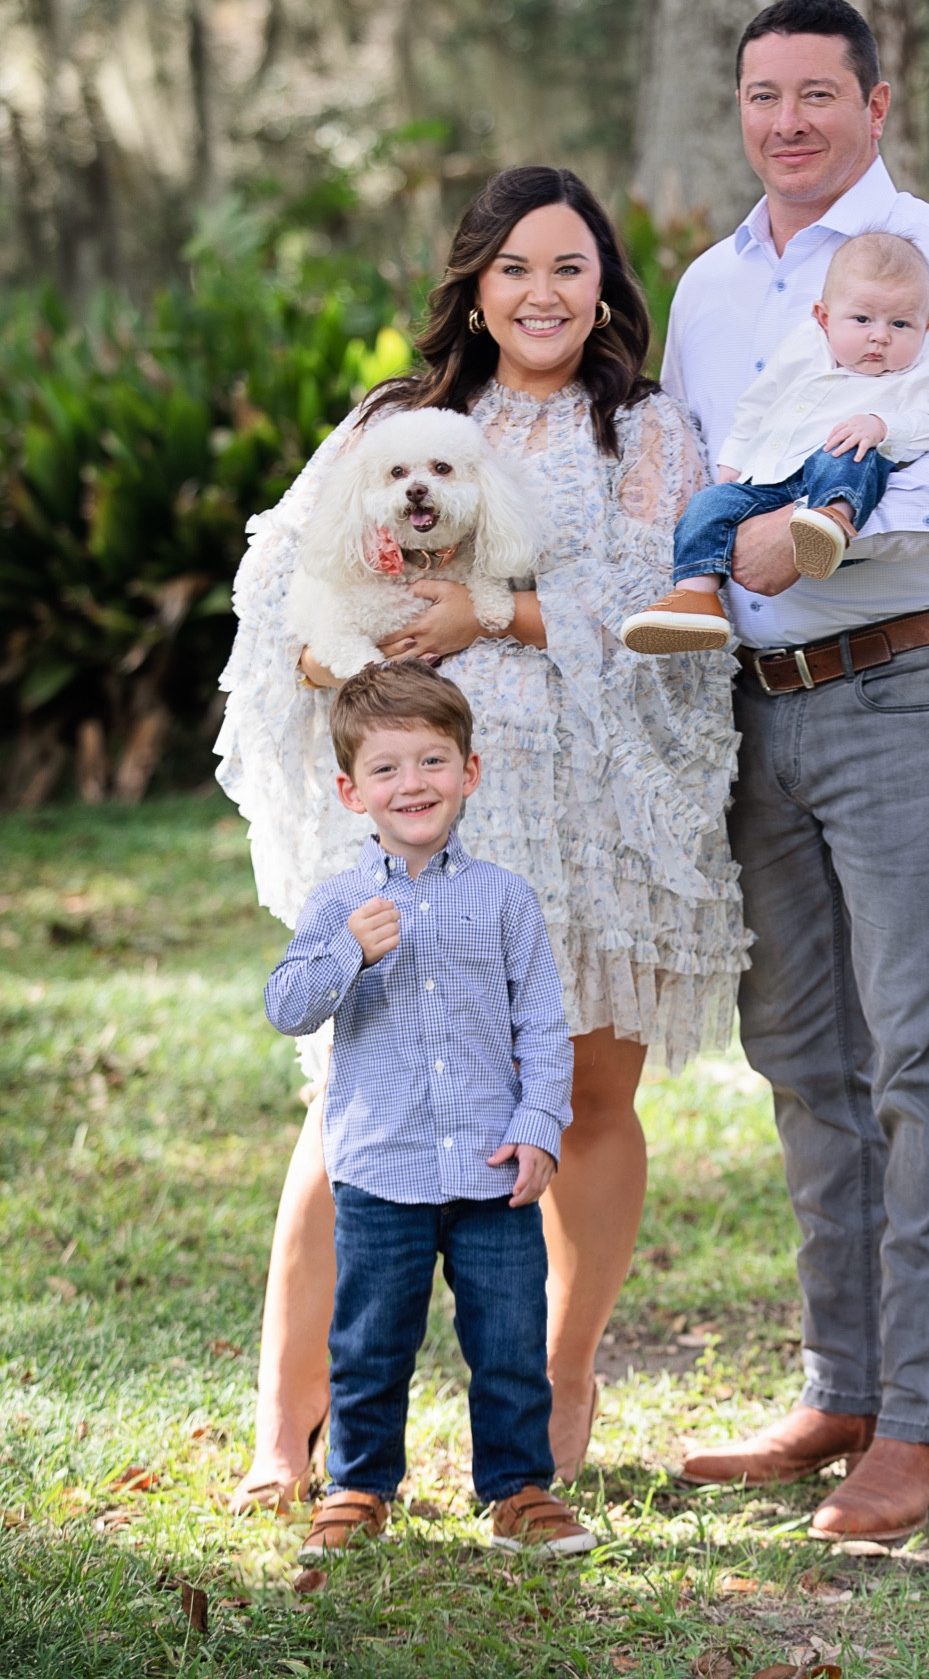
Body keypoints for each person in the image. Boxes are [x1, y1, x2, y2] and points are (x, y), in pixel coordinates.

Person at [217, 165, 748, 1511]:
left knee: (583, 1097)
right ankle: (288, 1432)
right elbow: (287, 565)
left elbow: (659, 600)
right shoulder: (406, 420)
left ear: (604, 286)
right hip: (420, 803)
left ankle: (562, 1378)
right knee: (358, 1106)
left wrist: (491, 617)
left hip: (582, 814)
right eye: (515, 267)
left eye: (568, 267)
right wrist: (324, 654)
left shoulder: (649, 433)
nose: (541, 293)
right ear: (476, 284)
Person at [665, 0, 929, 1543]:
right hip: (758, 704)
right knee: (803, 1055)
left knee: (916, 1057)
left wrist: (829, 528)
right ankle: (840, 1383)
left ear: (873, 107)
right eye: (762, 95)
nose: (786, 123)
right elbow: (692, 472)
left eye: (816, 94)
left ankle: (921, 1425)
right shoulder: (706, 287)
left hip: (901, 683)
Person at [265, 662, 595, 1561]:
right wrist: (346, 955)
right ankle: (360, 1487)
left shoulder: (503, 898)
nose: (411, 783)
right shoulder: (340, 904)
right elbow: (287, 1004)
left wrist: (538, 1126)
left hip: (492, 1169)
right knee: (371, 1341)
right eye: (386, 769)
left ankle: (519, 1490)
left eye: (432, 761)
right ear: (351, 791)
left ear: (468, 772)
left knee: (509, 1337)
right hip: (382, 1167)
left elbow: (544, 1025)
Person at [620, 231, 929, 653]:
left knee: (851, 452)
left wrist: (881, 425)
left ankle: (830, 521)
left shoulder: (925, 369)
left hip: (834, 471)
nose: (880, 336)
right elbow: (756, 408)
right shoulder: (802, 347)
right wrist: (733, 468)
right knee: (708, 506)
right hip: (770, 477)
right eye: (862, 320)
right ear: (823, 316)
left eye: (901, 324)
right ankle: (696, 594)